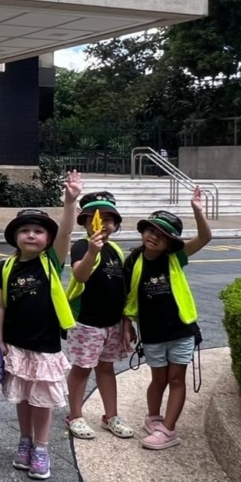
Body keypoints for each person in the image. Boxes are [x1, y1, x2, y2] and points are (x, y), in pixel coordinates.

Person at [0, 171, 82, 481]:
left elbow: (67, 234)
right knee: (23, 398)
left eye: (38, 231)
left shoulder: (51, 261)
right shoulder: (5, 266)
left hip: (45, 345)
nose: (31, 235)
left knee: (41, 399)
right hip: (16, 343)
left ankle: (41, 447)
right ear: (15, 236)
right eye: (25, 230)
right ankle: (25, 440)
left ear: (47, 238)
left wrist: (69, 201)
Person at [123, 189, 212, 450]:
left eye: (162, 235)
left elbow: (206, 237)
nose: (154, 237)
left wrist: (197, 210)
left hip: (181, 330)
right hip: (151, 333)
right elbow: (127, 297)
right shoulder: (133, 261)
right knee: (158, 379)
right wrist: (127, 323)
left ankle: (169, 430)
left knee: (176, 379)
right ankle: (154, 418)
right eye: (151, 231)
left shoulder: (176, 257)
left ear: (170, 242)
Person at [64, 192, 134, 440]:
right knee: (82, 368)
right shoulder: (82, 246)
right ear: (85, 222)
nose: (103, 224)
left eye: (108, 219)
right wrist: (92, 251)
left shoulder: (115, 249)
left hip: (112, 323)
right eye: (97, 218)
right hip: (87, 322)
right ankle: (75, 415)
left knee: (106, 367)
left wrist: (127, 321)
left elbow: (123, 288)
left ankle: (110, 415)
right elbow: (80, 275)